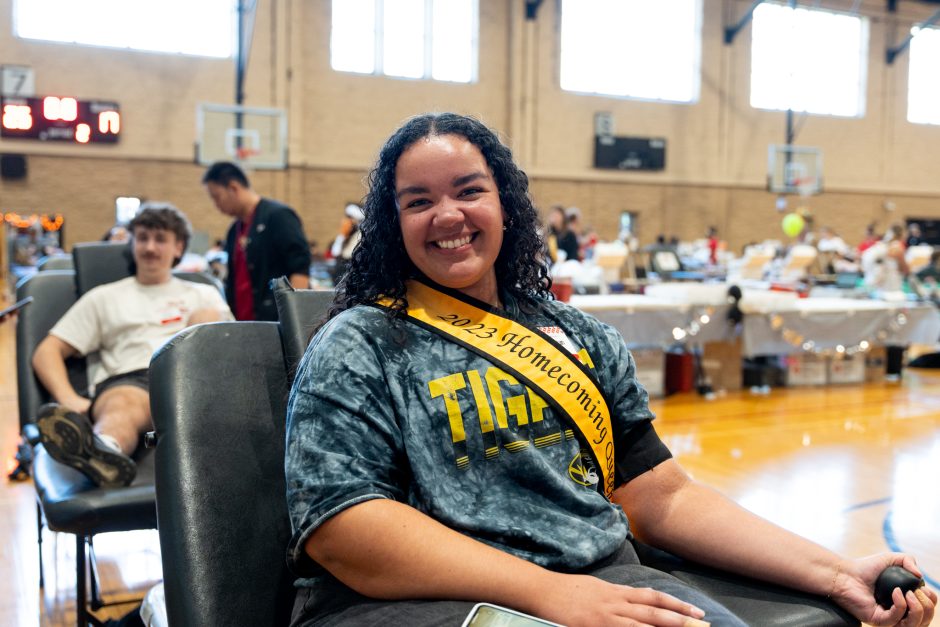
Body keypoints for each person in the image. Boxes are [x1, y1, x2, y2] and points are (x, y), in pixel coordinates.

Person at [284, 113, 935, 627]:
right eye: (418, 200)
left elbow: (664, 497)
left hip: (604, 582)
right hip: (413, 604)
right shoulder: (356, 346)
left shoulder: (581, 337)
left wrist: (837, 570)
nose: (448, 214)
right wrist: (554, 595)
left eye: (469, 190)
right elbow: (347, 531)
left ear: (505, 204)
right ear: (392, 224)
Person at [33, 203, 232, 487]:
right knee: (123, 406)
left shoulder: (204, 294)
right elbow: (47, 351)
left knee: (209, 323)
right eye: (142, 238)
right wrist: (68, 398)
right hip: (130, 382)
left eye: (160, 239)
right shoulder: (104, 297)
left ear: (179, 248)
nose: (150, 247)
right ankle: (103, 453)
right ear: (132, 243)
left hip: (193, 380)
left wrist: (206, 327)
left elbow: (233, 349)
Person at [202, 161, 311, 321]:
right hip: (245, 324)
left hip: (275, 323)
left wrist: (292, 320)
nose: (216, 205)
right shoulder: (234, 230)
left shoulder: (278, 216)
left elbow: (300, 268)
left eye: (216, 197)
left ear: (233, 188)